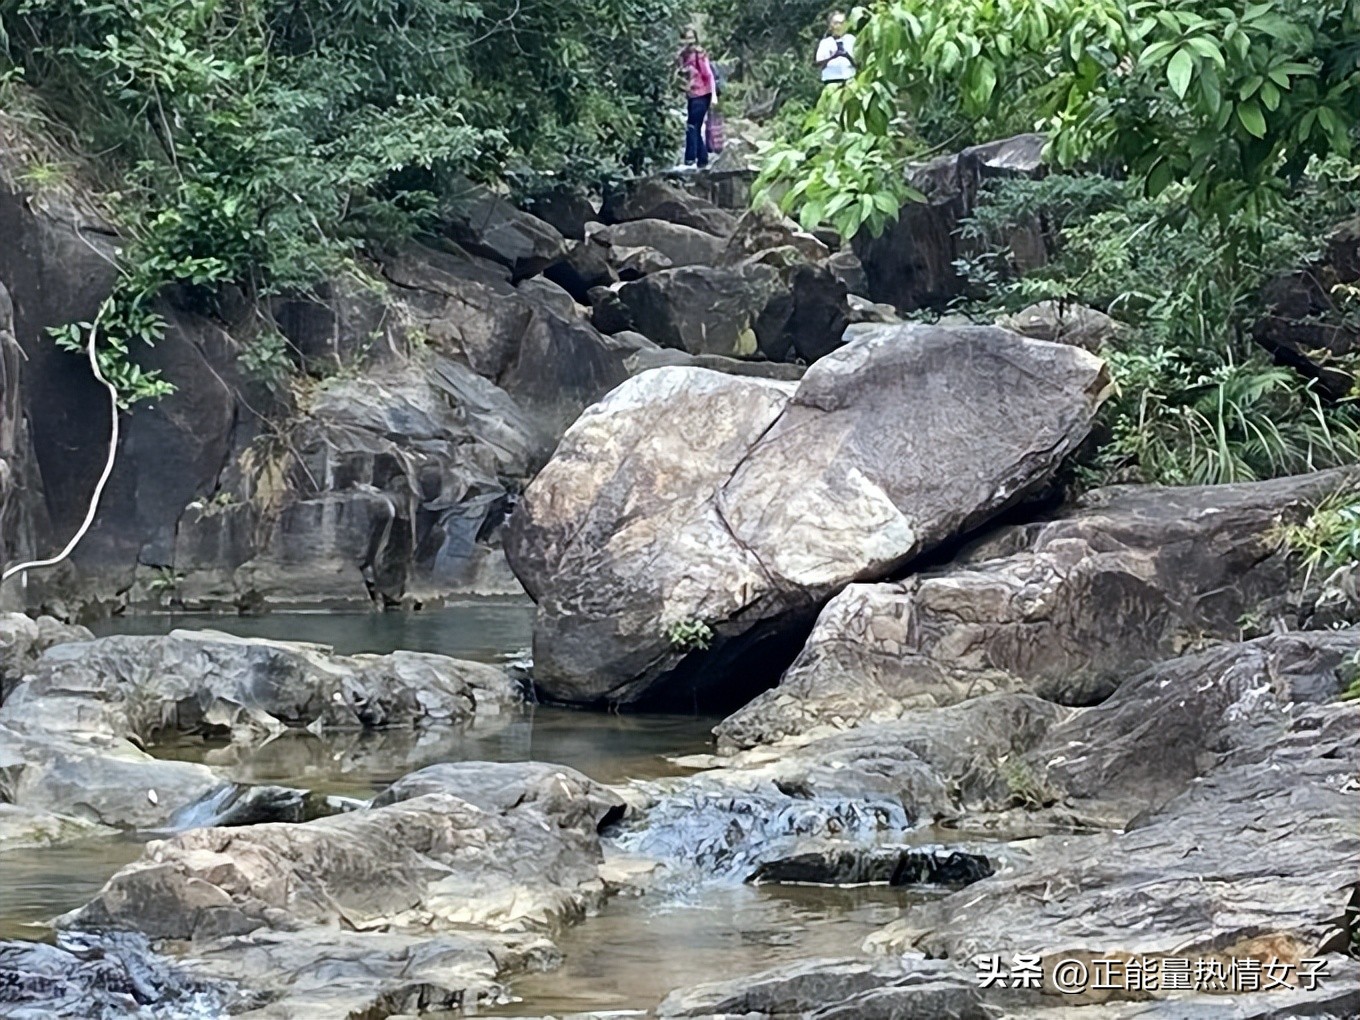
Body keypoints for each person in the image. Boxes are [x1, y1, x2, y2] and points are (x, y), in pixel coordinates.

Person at [676, 28, 715, 171]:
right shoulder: (683, 56)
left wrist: (714, 96)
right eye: (686, 38)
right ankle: (702, 160)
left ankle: (690, 159)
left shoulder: (699, 54)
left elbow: (708, 75)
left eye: (691, 38)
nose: (689, 41)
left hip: (702, 94)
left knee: (692, 126)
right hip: (692, 95)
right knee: (695, 127)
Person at [815, 12, 856, 85]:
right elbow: (818, 63)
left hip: (851, 80)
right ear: (830, 26)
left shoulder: (851, 39)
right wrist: (832, 56)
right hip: (831, 81)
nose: (839, 26)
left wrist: (847, 56)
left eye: (842, 23)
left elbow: (860, 61)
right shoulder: (825, 43)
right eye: (836, 23)